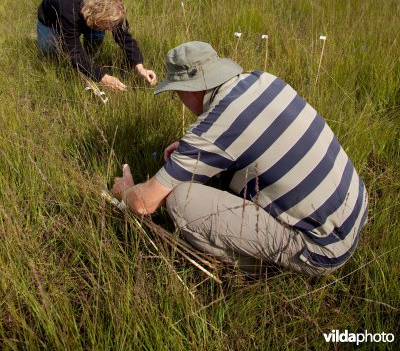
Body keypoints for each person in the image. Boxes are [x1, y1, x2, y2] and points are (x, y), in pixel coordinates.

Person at [112, 41, 368, 276]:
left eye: (176, 93)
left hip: (324, 248)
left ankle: (267, 270)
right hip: (356, 205)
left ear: (189, 89)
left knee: (181, 202)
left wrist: (124, 192)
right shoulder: (263, 80)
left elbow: (143, 204)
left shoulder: (214, 129)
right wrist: (195, 151)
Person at [37, 0, 157, 91]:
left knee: (94, 43)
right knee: (51, 52)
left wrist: (140, 68)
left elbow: (125, 38)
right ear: (96, 16)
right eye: (107, 24)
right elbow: (75, 52)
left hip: (90, 17)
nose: (111, 29)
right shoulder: (69, 11)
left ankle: (88, 63)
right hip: (51, 20)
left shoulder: (114, 10)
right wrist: (103, 78)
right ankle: (78, 67)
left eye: (113, 24)